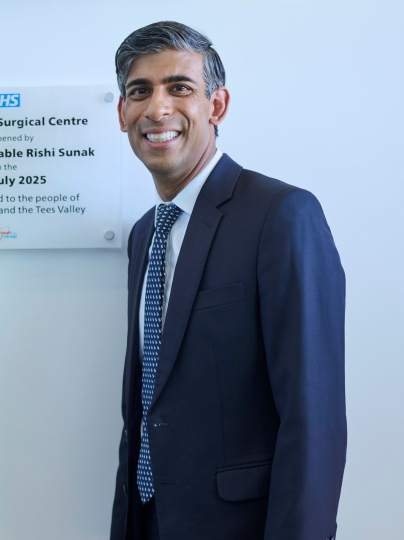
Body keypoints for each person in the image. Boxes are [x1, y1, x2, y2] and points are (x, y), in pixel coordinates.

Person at [109, 22, 346, 540]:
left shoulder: (281, 216)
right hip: (147, 520)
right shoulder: (143, 236)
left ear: (216, 106)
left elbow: (314, 419)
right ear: (122, 113)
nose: (157, 109)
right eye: (139, 91)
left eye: (179, 87)